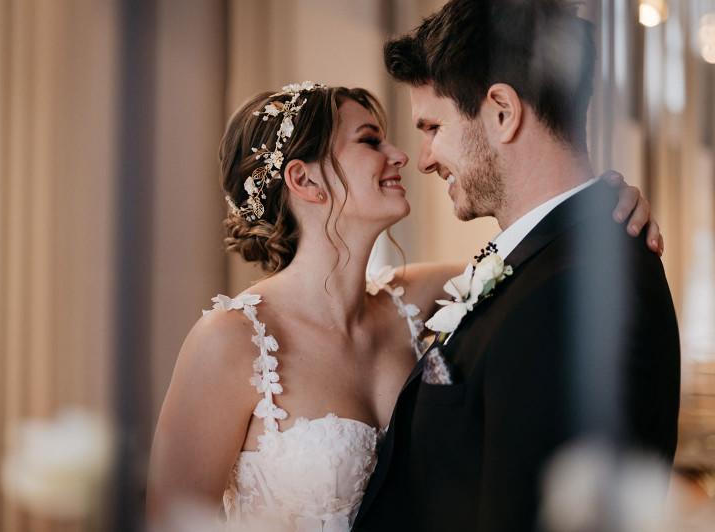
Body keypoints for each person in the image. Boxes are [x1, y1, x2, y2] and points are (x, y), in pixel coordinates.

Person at [146, 81, 658, 531]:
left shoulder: (419, 299)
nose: (402, 155)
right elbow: (171, 521)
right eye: (370, 140)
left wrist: (605, 202)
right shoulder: (231, 340)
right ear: (304, 181)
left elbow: (540, 259)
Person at [352, 1, 680, 531]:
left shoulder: (568, 293)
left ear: (503, 112)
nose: (425, 157)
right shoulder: (550, 261)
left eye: (433, 125)